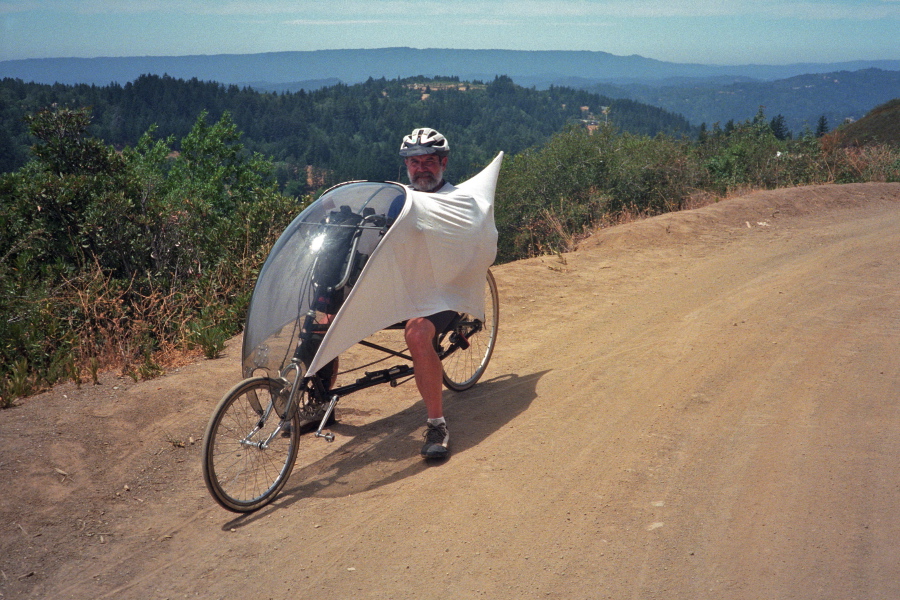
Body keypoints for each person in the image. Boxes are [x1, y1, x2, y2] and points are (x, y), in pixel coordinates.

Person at [396, 127, 459, 459]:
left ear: (443, 163)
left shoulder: (460, 200)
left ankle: (438, 425)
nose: (421, 168)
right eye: (414, 162)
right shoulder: (400, 199)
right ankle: (319, 401)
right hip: (400, 287)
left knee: (418, 333)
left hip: (444, 290)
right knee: (325, 312)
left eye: (429, 162)